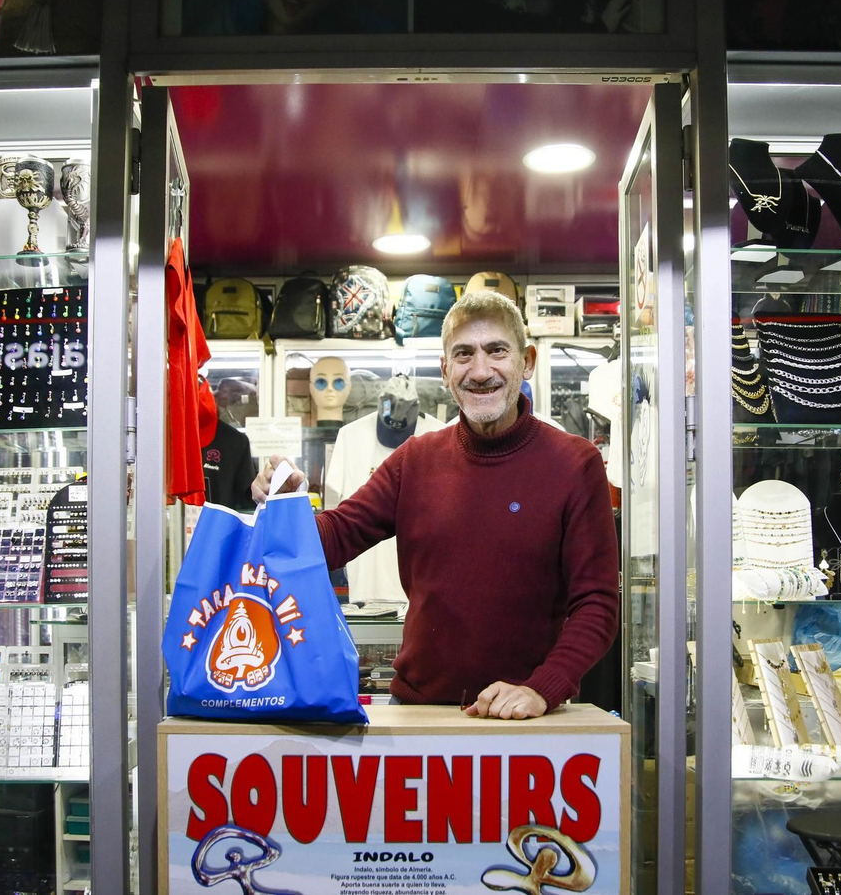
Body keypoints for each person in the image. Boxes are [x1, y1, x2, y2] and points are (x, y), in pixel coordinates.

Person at [253, 290, 619, 720]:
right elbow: (336, 537)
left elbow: (596, 603)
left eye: (496, 350)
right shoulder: (415, 459)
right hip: (418, 713)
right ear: (446, 371)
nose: (480, 371)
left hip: (525, 718)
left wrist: (543, 688)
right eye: (463, 354)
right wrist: (286, 508)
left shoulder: (575, 464)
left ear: (528, 362)